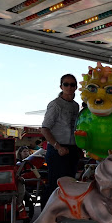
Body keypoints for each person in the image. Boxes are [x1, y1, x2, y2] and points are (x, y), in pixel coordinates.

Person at [41, 74, 81, 207]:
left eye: (72, 84)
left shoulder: (76, 106)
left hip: (72, 149)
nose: (69, 87)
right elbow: (45, 128)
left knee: (70, 185)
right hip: (58, 150)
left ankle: (64, 213)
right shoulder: (55, 105)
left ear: (76, 87)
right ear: (61, 86)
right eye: (66, 84)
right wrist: (57, 147)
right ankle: (45, 218)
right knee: (55, 185)